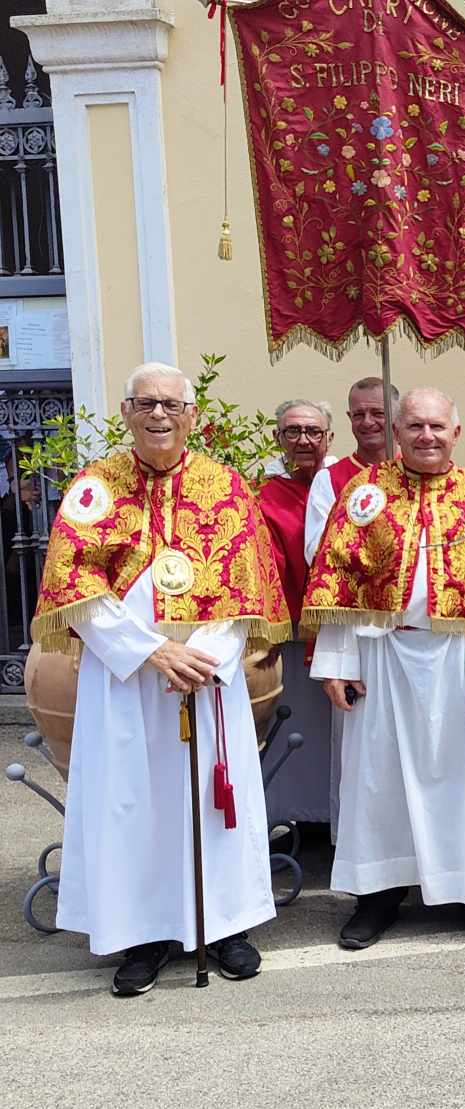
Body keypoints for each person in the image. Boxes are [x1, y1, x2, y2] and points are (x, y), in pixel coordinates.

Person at [36, 362, 291, 995]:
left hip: (205, 677)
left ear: (192, 416)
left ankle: (224, 924)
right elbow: (77, 588)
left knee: (211, 796)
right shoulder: (95, 487)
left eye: (171, 405)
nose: (159, 415)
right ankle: (142, 934)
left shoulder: (226, 486)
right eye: (146, 403)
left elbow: (247, 588)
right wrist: (151, 652)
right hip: (125, 681)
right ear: (125, 412)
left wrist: (199, 658)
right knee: (134, 801)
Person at [304, 388, 465, 949]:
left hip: (462, 661)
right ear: (396, 432)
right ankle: (378, 895)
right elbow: (339, 581)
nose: (427, 436)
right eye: (414, 426)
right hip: (383, 656)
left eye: (437, 426)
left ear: (456, 433)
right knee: (379, 780)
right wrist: (336, 663)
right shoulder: (365, 493)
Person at [257, 399, 340, 828]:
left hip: (340, 631)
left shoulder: (348, 486)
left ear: (329, 437)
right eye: (293, 432)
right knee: (294, 724)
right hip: (289, 631)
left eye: (313, 431)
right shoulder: (265, 494)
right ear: (278, 439)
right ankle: (294, 819)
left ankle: (337, 817)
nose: (303, 440)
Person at [305, 377, 397, 564]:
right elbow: (315, 551)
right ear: (350, 417)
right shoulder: (329, 479)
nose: (367, 422)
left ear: (398, 416)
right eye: (359, 415)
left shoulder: (419, 472)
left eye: (378, 413)